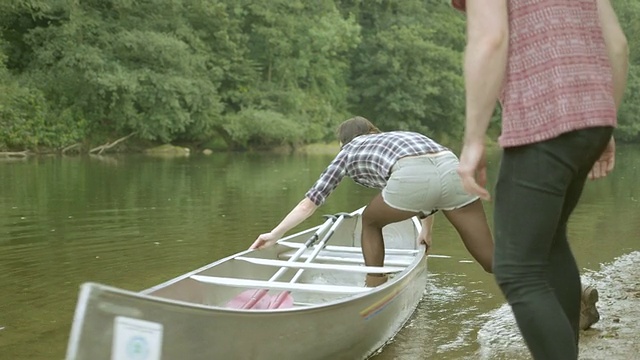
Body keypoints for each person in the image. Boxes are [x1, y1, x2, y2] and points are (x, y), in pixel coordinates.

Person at [454, 0, 628, 359]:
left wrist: (473, 139)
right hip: (592, 116)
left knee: (516, 269)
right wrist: (604, 117)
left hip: (543, 121)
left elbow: (490, 38)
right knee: (549, 244)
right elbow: (616, 45)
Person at [250, 116, 494, 286]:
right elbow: (431, 186)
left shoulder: (347, 150)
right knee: (490, 259)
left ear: (344, 141)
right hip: (454, 168)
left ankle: (375, 284)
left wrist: (275, 234)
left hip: (411, 177)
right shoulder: (400, 136)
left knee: (369, 222)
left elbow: (309, 203)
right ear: (372, 130)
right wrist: (426, 232)